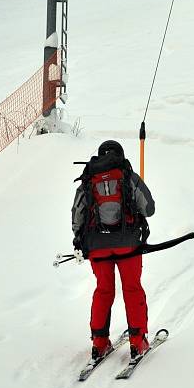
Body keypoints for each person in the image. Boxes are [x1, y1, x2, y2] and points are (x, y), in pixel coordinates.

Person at [72, 140, 155, 362]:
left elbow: (77, 215)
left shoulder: (89, 179)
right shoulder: (128, 176)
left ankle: (99, 344)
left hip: (97, 247)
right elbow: (149, 209)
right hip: (127, 244)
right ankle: (138, 342)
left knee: (103, 290)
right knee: (132, 289)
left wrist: (79, 240)